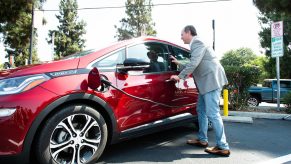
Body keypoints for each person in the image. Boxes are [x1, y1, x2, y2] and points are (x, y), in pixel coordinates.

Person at [170, 25, 230, 156]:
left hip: (211, 82)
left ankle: (223, 146)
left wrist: (179, 76)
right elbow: (195, 62)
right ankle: (203, 139)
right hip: (206, 84)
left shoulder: (197, 42)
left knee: (213, 114)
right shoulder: (196, 44)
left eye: (182, 34)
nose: (181, 37)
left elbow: (194, 63)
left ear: (188, 32)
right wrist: (178, 62)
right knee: (201, 110)